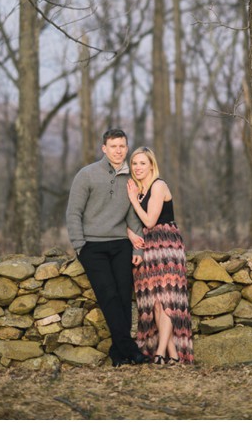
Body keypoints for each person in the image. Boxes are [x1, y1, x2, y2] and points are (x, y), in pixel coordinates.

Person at [66, 128, 148, 367]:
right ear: (104, 148)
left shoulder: (131, 178)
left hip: (121, 246)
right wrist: (79, 246)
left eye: (122, 146)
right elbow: (73, 213)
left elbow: (134, 218)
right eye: (113, 146)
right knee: (108, 296)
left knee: (123, 297)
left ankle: (117, 353)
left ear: (127, 147)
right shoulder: (87, 174)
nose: (118, 151)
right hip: (92, 246)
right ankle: (130, 349)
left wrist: (138, 250)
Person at [125, 147, 194, 364]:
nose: (137, 167)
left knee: (167, 300)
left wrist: (133, 199)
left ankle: (160, 353)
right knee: (155, 302)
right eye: (134, 163)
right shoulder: (137, 189)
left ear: (152, 165)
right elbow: (128, 222)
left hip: (166, 246)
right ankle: (173, 356)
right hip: (147, 248)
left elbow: (150, 221)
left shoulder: (159, 185)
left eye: (142, 163)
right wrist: (129, 234)